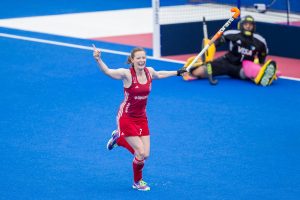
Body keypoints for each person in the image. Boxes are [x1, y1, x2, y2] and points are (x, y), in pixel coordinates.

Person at [92, 45, 186, 191]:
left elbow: (160, 74)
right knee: (140, 153)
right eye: (138, 58)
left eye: (144, 58)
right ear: (133, 60)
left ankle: (120, 139)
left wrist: (177, 72)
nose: (142, 60)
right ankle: (137, 182)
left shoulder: (150, 72)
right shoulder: (127, 74)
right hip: (126, 117)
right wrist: (98, 59)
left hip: (141, 117)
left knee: (145, 154)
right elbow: (108, 72)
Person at [183, 15, 280, 86]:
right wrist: (210, 44)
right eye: (246, 24)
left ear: (254, 27)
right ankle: (193, 67)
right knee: (198, 72)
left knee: (252, 73)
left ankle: (264, 75)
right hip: (226, 63)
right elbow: (217, 41)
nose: (248, 26)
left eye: (250, 25)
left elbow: (262, 56)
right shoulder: (232, 34)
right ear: (241, 25)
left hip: (243, 67)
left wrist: (261, 65)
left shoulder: (260, 41)